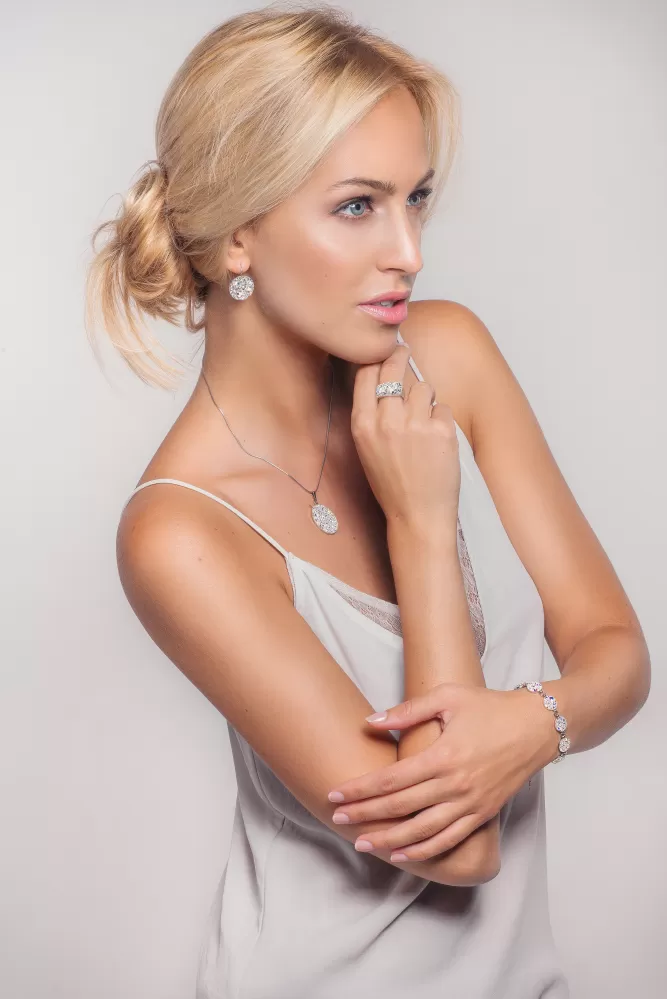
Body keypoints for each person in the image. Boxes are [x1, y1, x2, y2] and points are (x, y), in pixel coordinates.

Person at [85, 5, 650, 998]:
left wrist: (532, 724)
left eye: (415, 198)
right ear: (238, 237)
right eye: (357, 206)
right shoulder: (180, 532)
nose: (409, 252)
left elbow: (616, 649)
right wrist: (421, 523)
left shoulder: (449, 355)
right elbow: (457, 849)